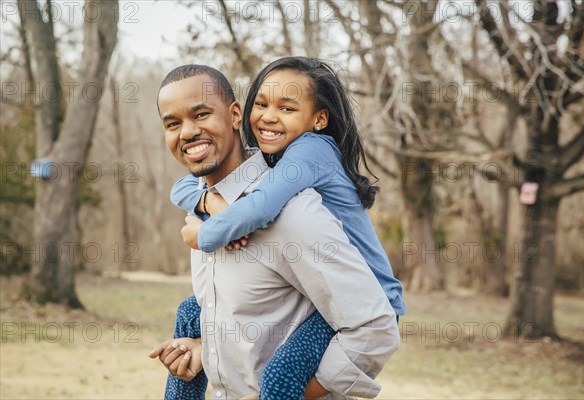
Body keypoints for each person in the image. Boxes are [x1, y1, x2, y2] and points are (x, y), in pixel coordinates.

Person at [149, 64, 400, 399]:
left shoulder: (291, 210)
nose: (187, 132)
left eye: (202, 114)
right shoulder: (199, 203)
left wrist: (288, 393)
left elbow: (374, 327)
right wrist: (206, 349)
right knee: (191, 310)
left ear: (235, 115)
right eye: (173, 124)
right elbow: (262, 321)